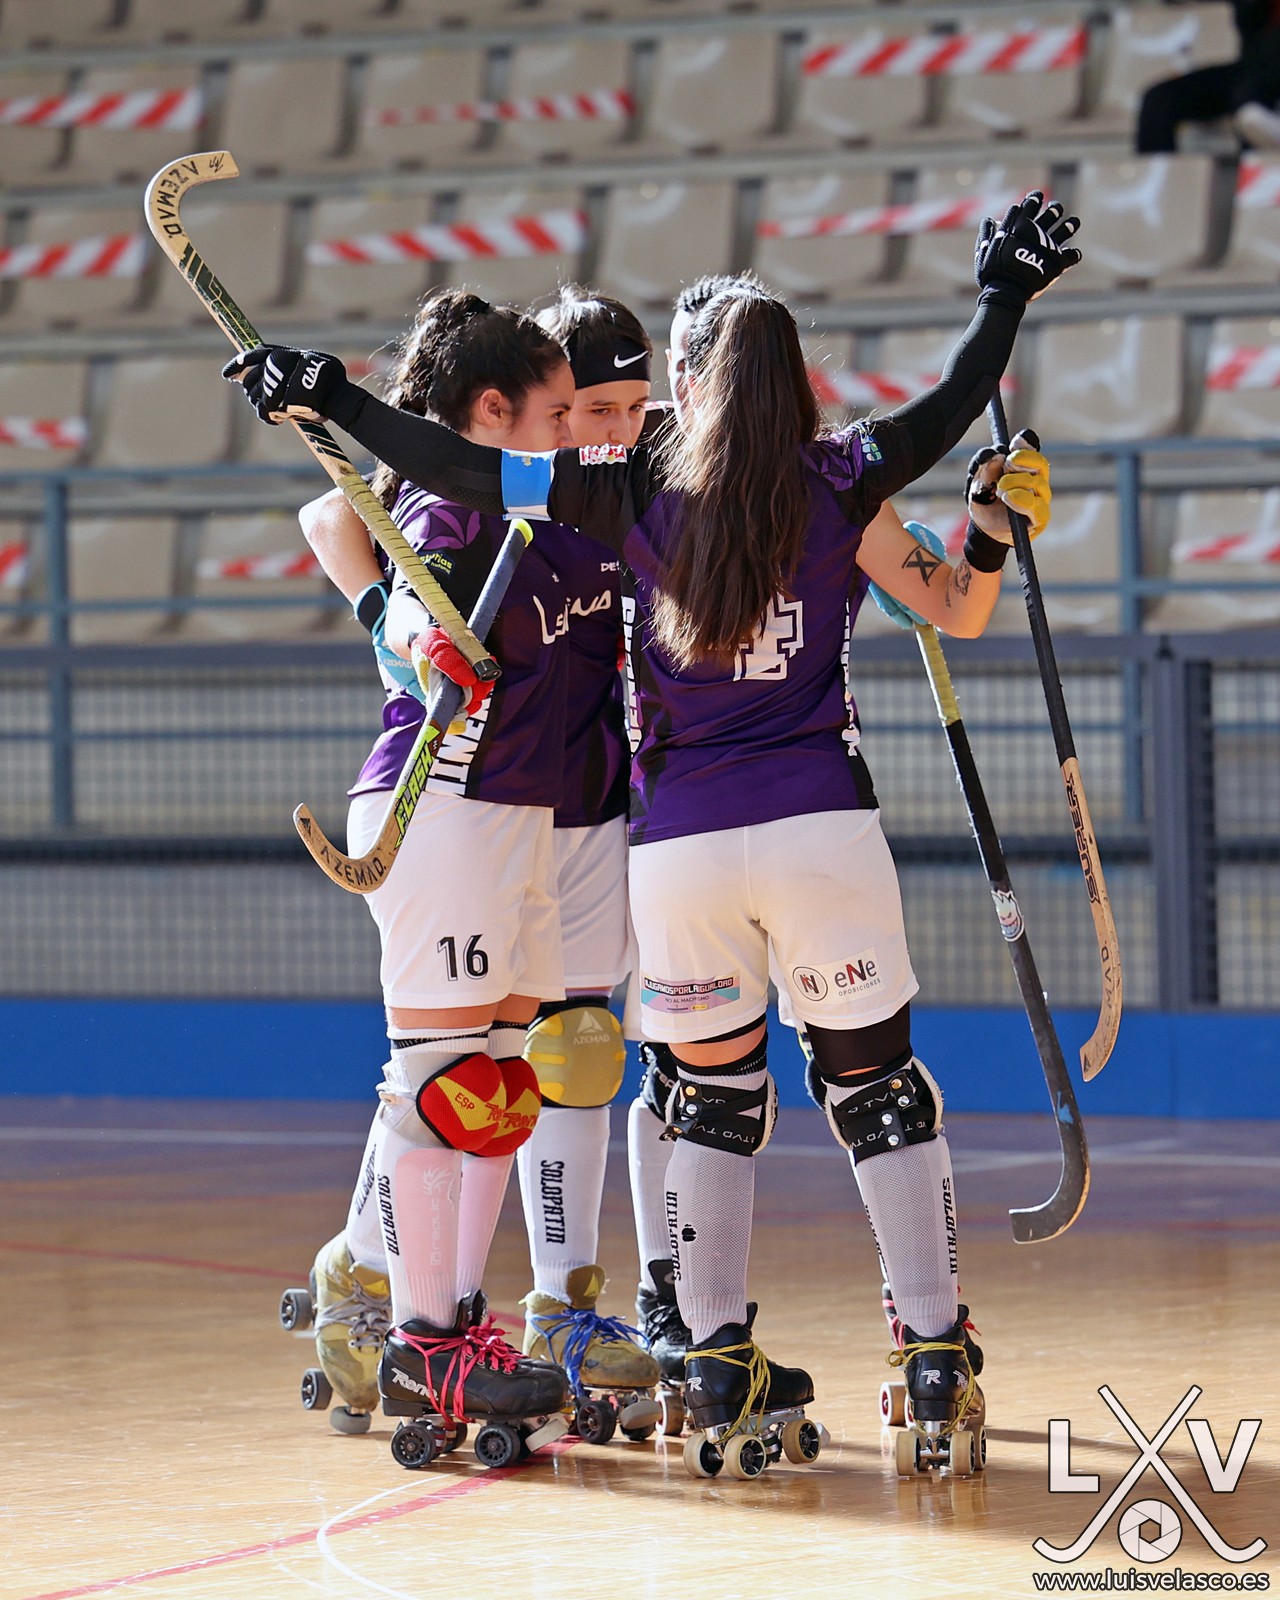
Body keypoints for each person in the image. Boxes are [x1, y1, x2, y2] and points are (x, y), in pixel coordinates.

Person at [223, 191, 1082, 1472]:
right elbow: (956, 405)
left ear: (682, 387)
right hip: (812, 826)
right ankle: (929, 1345)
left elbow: (463, 469)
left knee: (701, 1097)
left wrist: (334, 398)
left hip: (672, 841)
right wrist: (1004, 299)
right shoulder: (841, 472)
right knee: (876, 1088)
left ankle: (707, 1350)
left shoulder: (623, 492)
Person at [282, 289, 595, 1460]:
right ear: (491, 409)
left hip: (517, 813)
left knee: (503, 1083)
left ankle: (458, 1321)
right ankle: (422, 1340)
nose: (568, 432)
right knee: (441, 1081)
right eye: (554, 413)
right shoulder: (448, 507)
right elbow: (417, 606)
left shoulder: (535, 507)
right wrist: (416, 642)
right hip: (443, 806)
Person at [1136, 0, 1280, 152]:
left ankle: (1259, 157)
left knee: (1248, 101)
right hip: (1251, 70)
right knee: (1158, 102)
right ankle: (1160, 167)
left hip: (1260, 80)